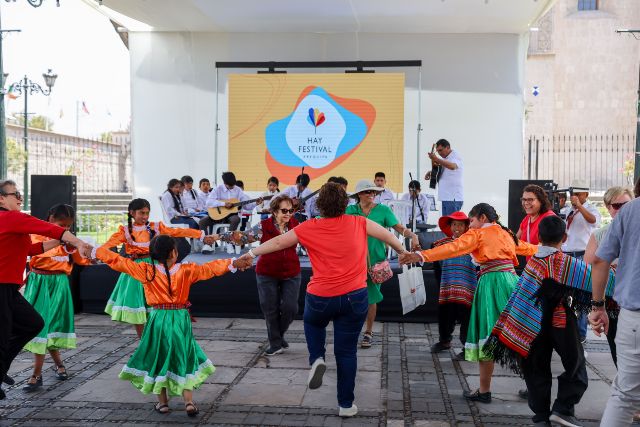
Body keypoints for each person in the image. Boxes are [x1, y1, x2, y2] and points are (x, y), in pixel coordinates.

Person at [238, 183, 411, 417]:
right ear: (344, 203)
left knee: (313, 323)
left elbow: (278, 242)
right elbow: (388, 235)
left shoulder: (309, 226)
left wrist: (249, 254)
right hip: (355, 297)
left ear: (320, 205)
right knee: (347, 352)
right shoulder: (358, 222)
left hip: (321, 296)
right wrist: (403, 252)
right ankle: (346, 405)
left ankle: (317, 358)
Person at [92, 235, 250, 416]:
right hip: (180, 319)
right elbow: (210, 268)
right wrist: (233, 262)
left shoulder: (145, 270)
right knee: (183, 356)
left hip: (158, 319)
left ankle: (163, 404)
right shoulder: (186, 270)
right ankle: (189, 402)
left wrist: (95, 250)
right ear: (174, 252)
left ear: (152, 254)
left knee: (158, 357)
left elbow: (118, 261)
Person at [402, 203, 537, 404]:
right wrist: (551, 248)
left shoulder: (479, 234)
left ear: (482, 218)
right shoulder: (506, 233)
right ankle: (534, 388)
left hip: (491, 282)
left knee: (487, 335)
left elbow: (453, 248)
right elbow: (528, 248)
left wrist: (421, 255)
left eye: (471, 221)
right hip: (511, 281)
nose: (470, 225)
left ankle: (484, 391)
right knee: (516, 334)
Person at [486, 216, 610, 426]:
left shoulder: (533, 261)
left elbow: (522, 295)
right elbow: (596, 278)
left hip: (529, 322)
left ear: (538, 237)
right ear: (564, 236)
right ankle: (563, 409)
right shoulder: (566, 263)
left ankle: (542, 416)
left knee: (535, 368)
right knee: (576, 364)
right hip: (560, 322)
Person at [0, 179, 90, 401]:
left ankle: (0, 368)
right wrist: (77, 242)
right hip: (1, 288)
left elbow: (32, 249)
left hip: (9, 290)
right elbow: (51, 229)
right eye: (15, 194)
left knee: (33, 324)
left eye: (20, 193)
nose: (20, 198)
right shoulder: (11, 218)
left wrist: (61, 243)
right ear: (1, 198)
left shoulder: (10, 222)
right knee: (3, 338)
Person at [103, 199, 217, 338]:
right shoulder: (125, 231)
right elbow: (108, 245)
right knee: (138, 308)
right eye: (141, 213)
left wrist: (201, 235)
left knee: (155, 306)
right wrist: (92, 252)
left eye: (147, 213)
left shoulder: (155, 227)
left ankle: (156, 339)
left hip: (154, 268)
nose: (145, 216)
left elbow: (177, 232)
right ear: (132, 213)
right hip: (136, 270)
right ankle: (143, 341)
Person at [22, 204, 93, 392]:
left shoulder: (69, 241)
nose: (66, 230)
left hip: (60, 285)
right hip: (39, 284)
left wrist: (89, 255)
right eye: (63, 225)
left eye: (69, 226)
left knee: (51, 327)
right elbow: (33, 254)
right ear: (51, 219)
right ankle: (38, 373)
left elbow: (80, 260)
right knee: (40, 327)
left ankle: (55, 366)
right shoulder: (36, 235)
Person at [222, 195, 301, 356]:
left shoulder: (296, 225)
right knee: (270, 308)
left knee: (291, 308)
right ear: (273, 211)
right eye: (284, 210)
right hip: (267, 273)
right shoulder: (263, 226)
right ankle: (276, 343)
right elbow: (243, 237)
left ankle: (278, 336)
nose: (288, 214)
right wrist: (218, 236)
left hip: (292, 272)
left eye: (291, 210)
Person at [346, 180, 420, 349]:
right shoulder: (349, 210)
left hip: (375, 262)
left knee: (371, 299)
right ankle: (351, 330)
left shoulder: (383, 210)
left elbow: (400, 228)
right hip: (352, 262)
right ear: (358, 195)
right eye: (367, 192)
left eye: (373, 192)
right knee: (351, 298)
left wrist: (413, 235)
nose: (371, 194)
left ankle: (368, 332)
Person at [589, 196, 640, 426]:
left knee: (624, 397)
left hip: (634, 317)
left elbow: (599, 261)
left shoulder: (631, 210)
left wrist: (597, 306)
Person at [584, 186, 634, 366]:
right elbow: (590, 265)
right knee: (619, 354)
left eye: (626, 204)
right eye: (616, 205)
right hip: (613, 302)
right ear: (608, 207)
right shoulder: (601, 233)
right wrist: (598, 306)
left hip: (629, 301)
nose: (621, 209)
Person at [430, 212, 477, 360]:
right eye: (454, 224)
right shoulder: (441, 244)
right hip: (448, 288)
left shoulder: (473, 245)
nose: (457, 227)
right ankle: (444, 341)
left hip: (468, 289)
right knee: (445, 316)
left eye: (461, 225)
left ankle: (468, 348)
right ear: (450, 227)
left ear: (466, 227)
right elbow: (435, 263)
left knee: (467, 320)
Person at [562, 180, 601, 343]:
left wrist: (580, 206)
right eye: (573, 194)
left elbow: (593, 221)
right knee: (563, 293)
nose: (575, 197)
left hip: (582, 254)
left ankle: (581, 333)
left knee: (582, 295)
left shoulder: (591, 209)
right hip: (566, 253)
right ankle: (564, 329)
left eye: (578, 194)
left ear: (586, 194)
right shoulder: (566, 210)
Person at [424, 139, 463, 216]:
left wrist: (437, 159)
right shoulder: (445, 159)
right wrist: (431, 172)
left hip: (453, 197)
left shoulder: (455, 156)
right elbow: (443, 172)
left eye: (441, 150)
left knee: (451, 225)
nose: (439, 153)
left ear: (447, 147)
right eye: (437, 151)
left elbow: (452, 166)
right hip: (446, 197)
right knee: (446, 225)